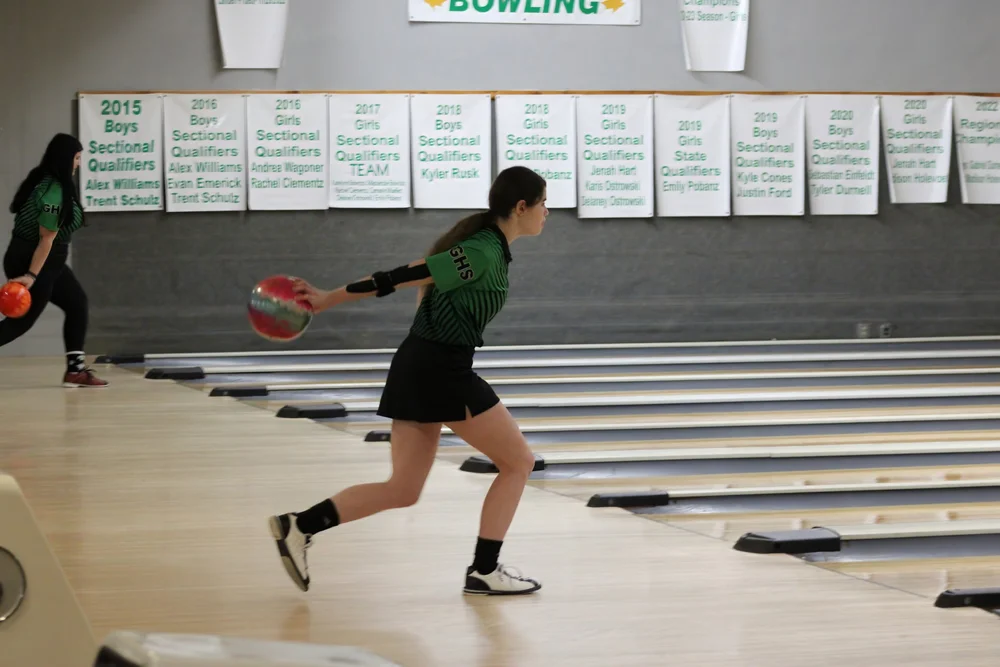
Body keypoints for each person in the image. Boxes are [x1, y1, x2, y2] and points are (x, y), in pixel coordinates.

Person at [268, 166, 548, 596]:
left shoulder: (487, 247)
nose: (548, 212)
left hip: (422, 364)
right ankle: (484, 569)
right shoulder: (481, 250)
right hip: (441, 369)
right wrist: (328, 298)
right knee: (519, 463)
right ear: (521, 207)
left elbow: (424, 280)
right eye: (544, 203)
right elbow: (401, 277)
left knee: (402, 489)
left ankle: (300, 526)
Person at [1, 133, 107, 387]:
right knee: (19, 324)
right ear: (65, 159)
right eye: (77, 158)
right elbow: (46, 239)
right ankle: (75, 372)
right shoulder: (54, 192)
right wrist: (31, 275)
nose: (79, 163)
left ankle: (75, 371)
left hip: (48, 262)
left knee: (77, 303)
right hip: (36, 261)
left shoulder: (44, 178)